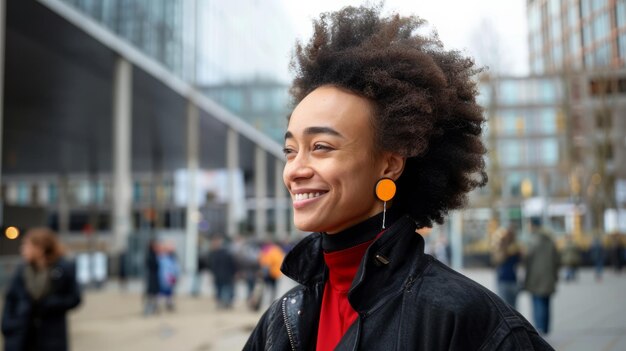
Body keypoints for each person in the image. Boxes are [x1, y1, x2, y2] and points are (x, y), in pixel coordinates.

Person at [245, 5, 552, 350]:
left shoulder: (466, 321)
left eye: (320, 146)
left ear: (389, 165)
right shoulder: (280, 322)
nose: (296, 170)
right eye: (290, 150)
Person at [2, 227, 82, 351]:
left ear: (40, 248)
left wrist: (50, 304)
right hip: (22, 335)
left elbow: (74, 298)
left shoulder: (63, 269)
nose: (23, 250)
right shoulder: (22, 271)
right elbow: (10, 299)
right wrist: (7, 326)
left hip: (51, 335)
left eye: (27, 246)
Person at [524, 217, 560, 336]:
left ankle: (539, 328)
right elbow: (557, 260)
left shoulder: (533, 240)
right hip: (549, 277)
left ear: (533, 225)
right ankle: (546, 327)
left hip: (536, 278)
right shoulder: (550, 240)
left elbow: (527, 260)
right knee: (546, 303)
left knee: (537, 302)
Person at [491, 226, 521, 308]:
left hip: (506, 281)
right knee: (512, 308)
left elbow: (497, 260)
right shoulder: (512, 248)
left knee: (506, 308)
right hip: (509, 281)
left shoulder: (514, 249)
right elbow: (497, 260)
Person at [207, 235, 237, 309]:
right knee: (221, 289)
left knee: (224, 289)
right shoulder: (215, 253)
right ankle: (224, 302)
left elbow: (232, 264)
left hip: (224, 275)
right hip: (221, 275)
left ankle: (225, 302)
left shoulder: (218, 253)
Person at [157, 242, 180, 311]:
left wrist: (176, 275)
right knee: (162, 292)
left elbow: (176, 268)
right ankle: (158, 305)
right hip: (165, 278)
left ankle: (169, 304)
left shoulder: (172, 258)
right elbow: (163, 269)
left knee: (169, 292)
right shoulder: (162, 258)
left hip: (170, 277)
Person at [144, 239, 160, 316]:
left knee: (154, 294)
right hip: (151, 276)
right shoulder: (151, 255)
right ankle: (149, 308)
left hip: (154, 276)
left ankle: (153, 307)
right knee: (150, 294)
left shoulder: (155, 255)